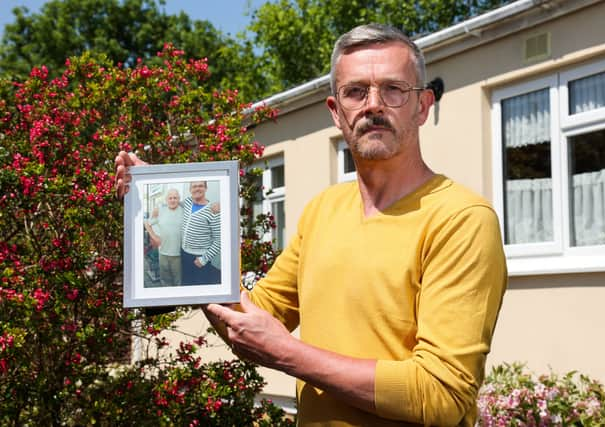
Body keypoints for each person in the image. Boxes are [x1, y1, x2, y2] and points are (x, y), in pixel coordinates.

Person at [115, 23, 506, 426]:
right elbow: (257, 319)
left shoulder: (461, 219)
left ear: (422, 106)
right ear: (336, 112)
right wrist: (162, 194)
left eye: (393, 89)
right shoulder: (323, 209)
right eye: (356, 92)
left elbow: (441, 395)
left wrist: (287, 353)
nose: (374, 104)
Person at [180, 181, 222, 285]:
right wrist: (159, 208)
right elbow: (173, 203)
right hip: (185, 254)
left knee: (200, 288)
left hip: (200, 257)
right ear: (190, 190)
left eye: (200, 186)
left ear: (206, 188)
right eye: (194, 186)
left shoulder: (213, 210)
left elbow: (219, 240)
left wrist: (204, 259)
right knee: (186, 284)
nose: (197, 189)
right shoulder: (187, 202)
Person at [144, 188, 183, 287]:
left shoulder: (184, 211)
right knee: (165, 281)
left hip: (178, 255)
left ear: (179, 199)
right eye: (170, 198)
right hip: (163, 253)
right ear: (166, 200)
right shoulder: (160, 210)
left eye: (175, 198)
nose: (173, 200)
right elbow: (147, 223)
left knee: (178, 281)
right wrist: (154, 236)